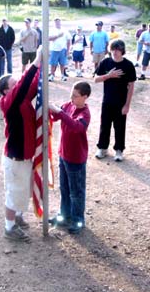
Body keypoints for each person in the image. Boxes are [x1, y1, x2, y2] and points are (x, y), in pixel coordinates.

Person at [0, 46, 42, 242]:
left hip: (24, 154)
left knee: (22, 188)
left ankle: (17, 217)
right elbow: (25, 84)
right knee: (13, 192)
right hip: (15, 156)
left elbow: (31, 85)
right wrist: (36, 60)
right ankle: (9, 228)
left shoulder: (20, 99)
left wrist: (41, 64)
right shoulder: (8, 101)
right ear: (7, 90)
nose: (18, 86)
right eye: (13, 84)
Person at [49, 81, 92, 234]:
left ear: (84, 97)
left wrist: (60, 113)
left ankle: (78, 220)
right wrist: (50, 109)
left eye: (75, 96)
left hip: (76, 159)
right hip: (63, 154)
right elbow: (56, 117)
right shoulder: (68, 105)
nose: (72, 98)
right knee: (65, 188)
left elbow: (77, 127)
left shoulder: (84, 113)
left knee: (76, 192)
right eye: (71, 94)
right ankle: (64, 215)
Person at [94, 40, 136, 162]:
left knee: (120, 127)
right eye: (113, 49)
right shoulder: (105, 62)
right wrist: (108, 75)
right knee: (104, 126)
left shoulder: (128, 65)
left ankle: (119, 150)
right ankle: (102, 148)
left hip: (121, 102)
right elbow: (96, 79)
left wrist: (127, 105)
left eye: (118, 49)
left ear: (122, 51)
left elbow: (131, 86)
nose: (115, 52)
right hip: (107, 101)